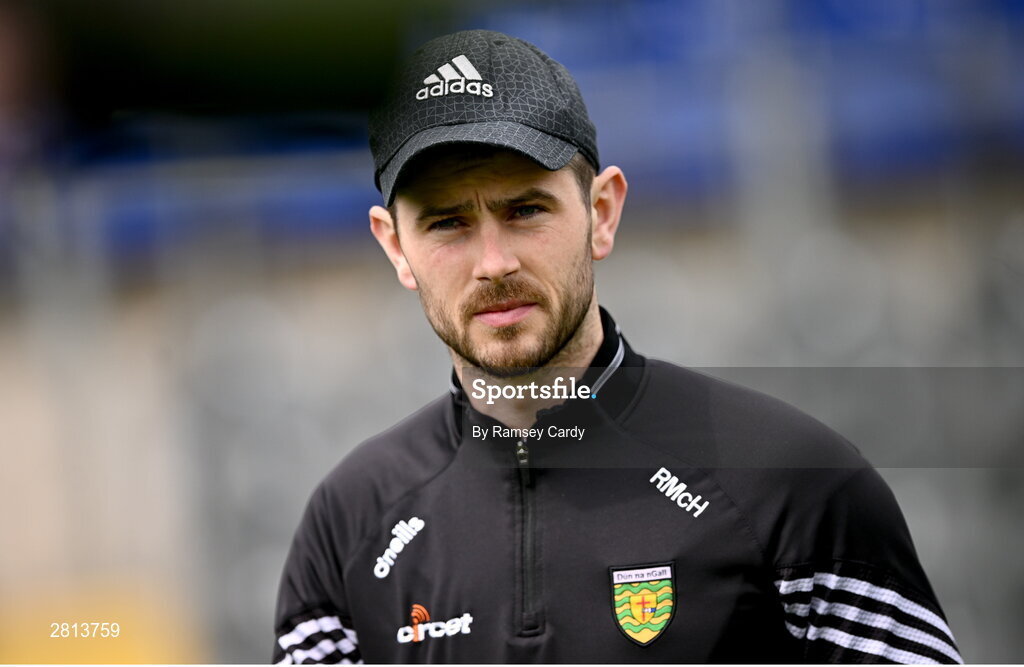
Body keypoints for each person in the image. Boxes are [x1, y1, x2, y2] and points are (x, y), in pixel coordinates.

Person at [272, 29, 962, 664]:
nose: (492, 262)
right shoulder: (348, 523)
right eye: (448, 223)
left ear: (601, 212)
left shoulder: (794, 481)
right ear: (395, 246)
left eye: (526, 209)